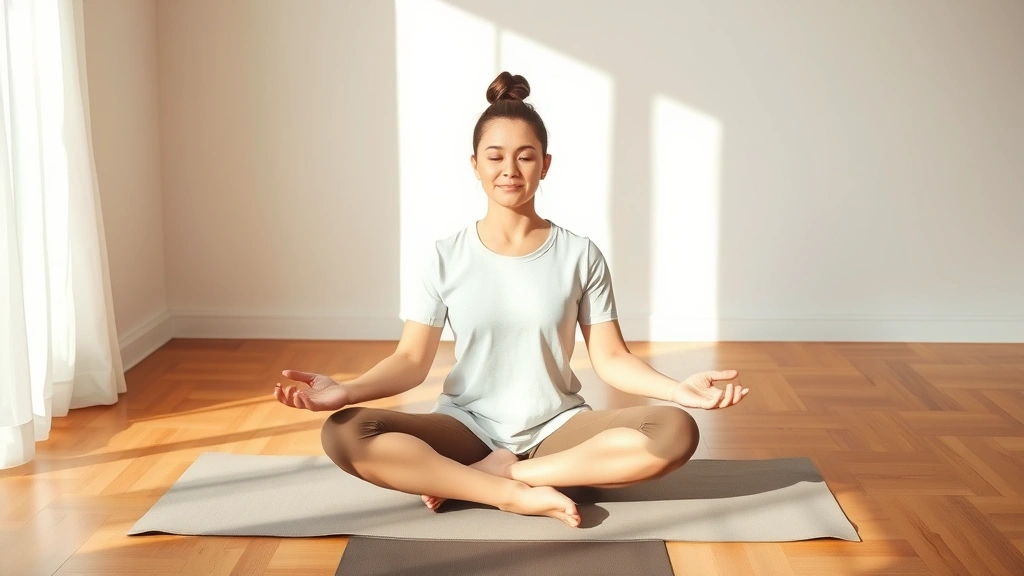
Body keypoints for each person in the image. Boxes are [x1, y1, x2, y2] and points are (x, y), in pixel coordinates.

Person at [274, 71, 750, 528]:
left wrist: (678, 391)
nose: (509, 170)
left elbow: (611, 359)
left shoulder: (579, 254)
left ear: (545, 165)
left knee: (675, 430)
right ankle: (510, 494)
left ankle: (503, 475)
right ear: (475, 165)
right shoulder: (445, 257)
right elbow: (410, 361)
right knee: (344, 432)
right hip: (466, 427)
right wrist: (346, 392)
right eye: (495, 156)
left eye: (525, 157)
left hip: (557, 428)